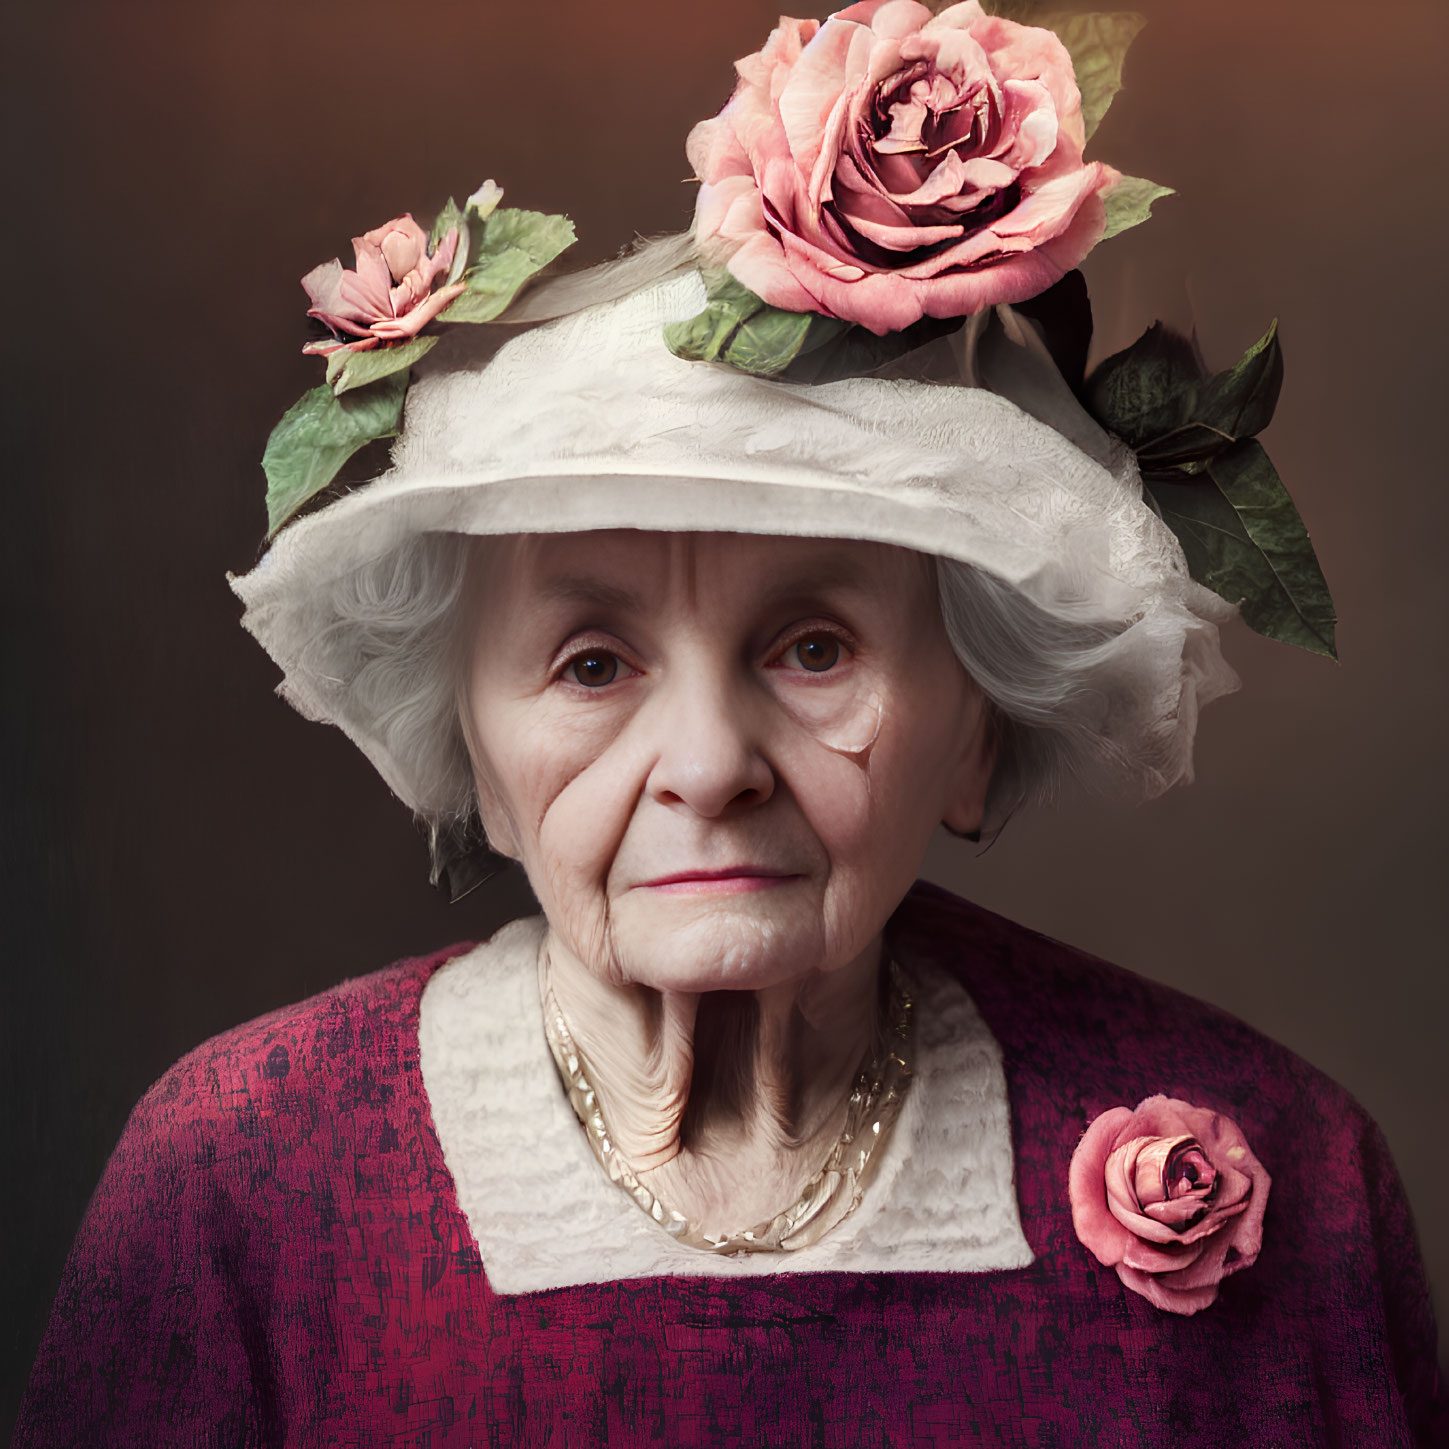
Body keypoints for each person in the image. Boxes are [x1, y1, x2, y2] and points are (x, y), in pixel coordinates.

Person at [15, 2, 1445, 1444]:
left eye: (813, 647)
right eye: (589, 664)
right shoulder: (238, 1182)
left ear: (974, 729)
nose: (706, 766)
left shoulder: (1285, 1170)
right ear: (480, 770)